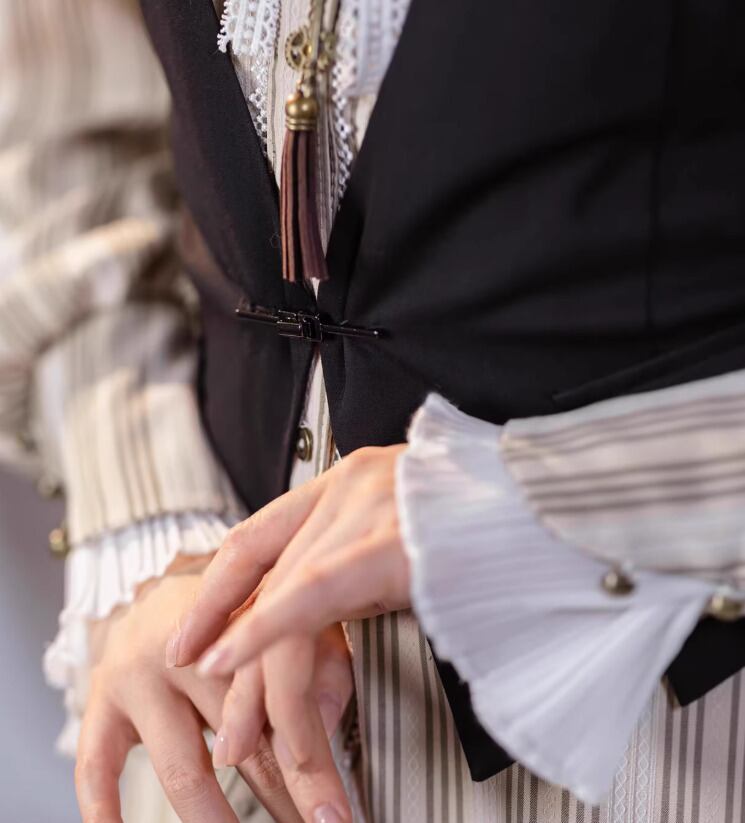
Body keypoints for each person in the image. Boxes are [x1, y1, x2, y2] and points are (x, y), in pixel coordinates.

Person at [3, 1, 745, 822]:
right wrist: (154, 530)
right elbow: (64, 120)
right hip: (215, 714)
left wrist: (555, 497)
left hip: (664, 723)